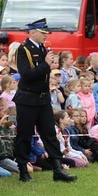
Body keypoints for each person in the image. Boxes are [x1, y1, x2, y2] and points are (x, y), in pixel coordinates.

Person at [13, 18, 76, 183]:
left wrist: (46, 64)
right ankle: (23, 172)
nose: (45, 36)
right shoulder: (24, 49)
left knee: (50, 135)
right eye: (42, 33)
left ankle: (57, 169)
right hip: (27, 99)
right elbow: (26, 74)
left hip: (42, 99)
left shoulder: (43, 49)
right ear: (32, 32)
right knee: (25, 136)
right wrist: (45, 64)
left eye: (46, 33)